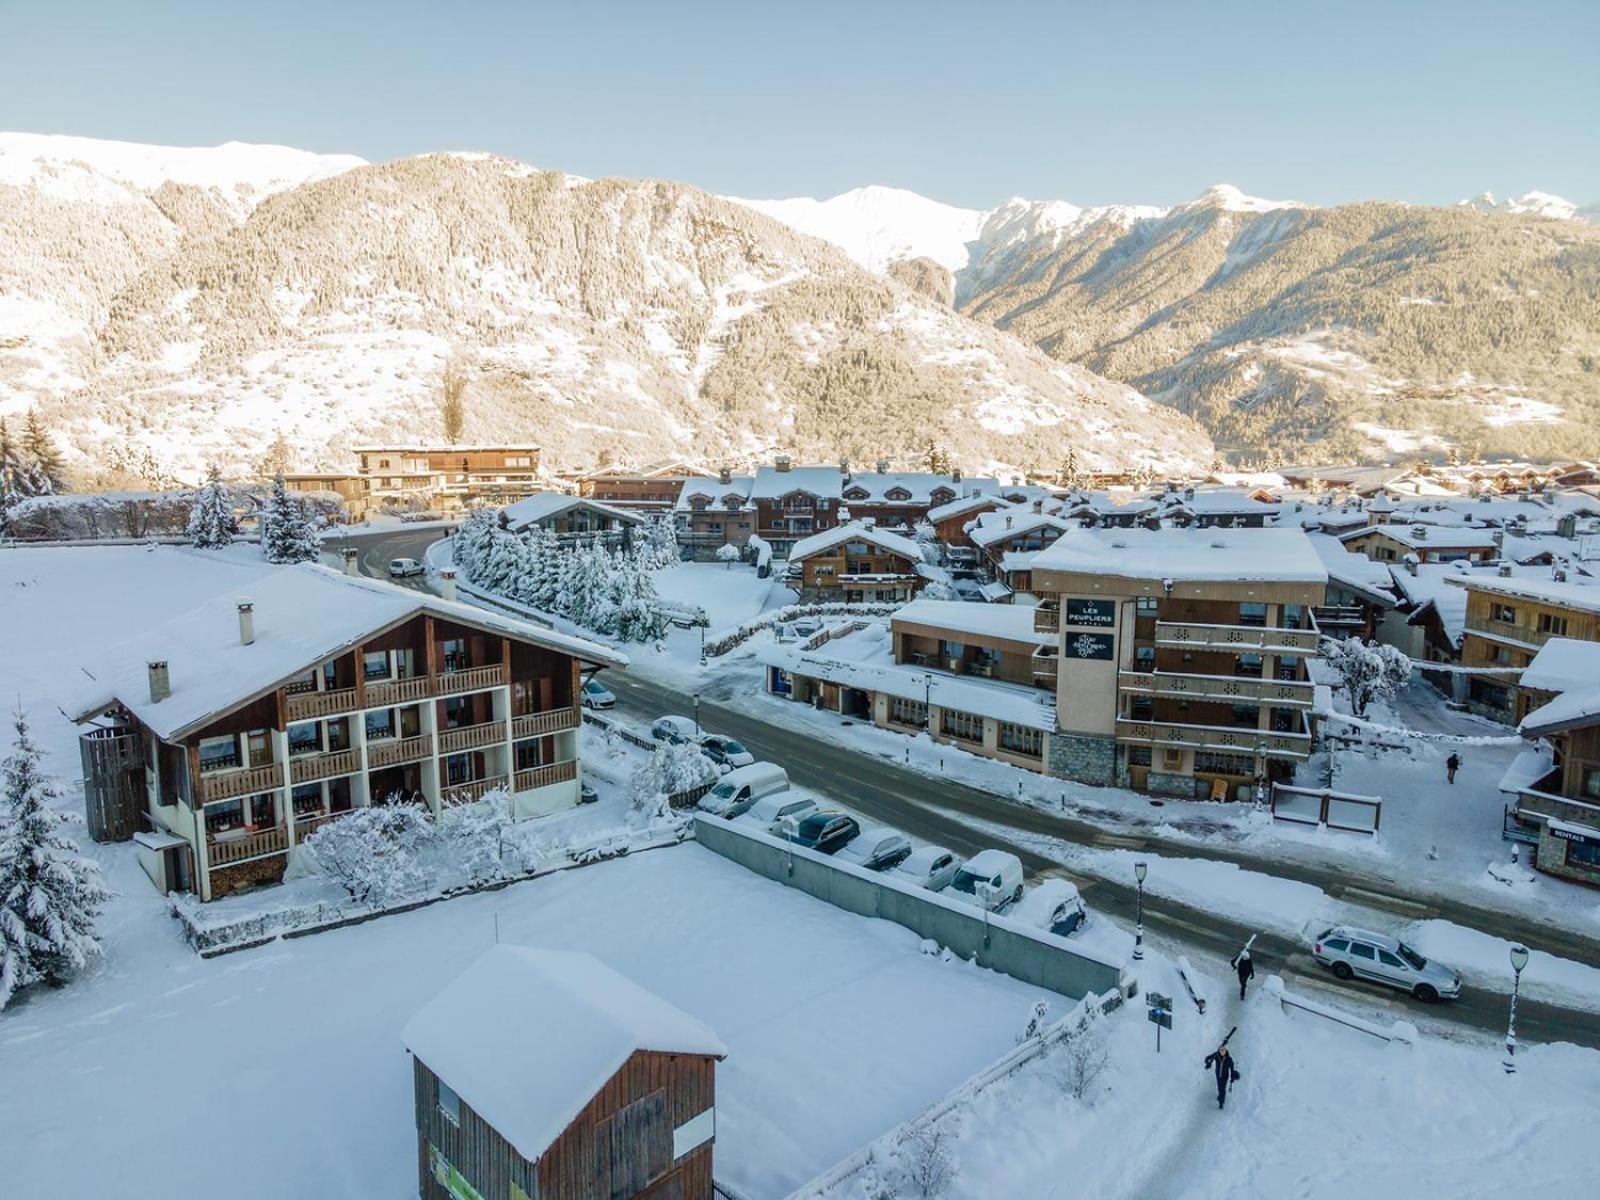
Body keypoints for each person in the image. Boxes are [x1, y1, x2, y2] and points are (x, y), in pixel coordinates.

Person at [1205, 1043, 1240, 1109]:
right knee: (1219, 1087)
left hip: (1224, 1076)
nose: (1222, 1052)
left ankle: (1221, 1103)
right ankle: (1220, 1095)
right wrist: (1208, 1063)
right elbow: (1208, 1058)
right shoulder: (1216, 1055)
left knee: (1222, 1089)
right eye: (1220, 1050)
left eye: (1223, 1050)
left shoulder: (1229, 1059)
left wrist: (1232, 1077)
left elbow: (1231, 1068)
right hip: (1218, 1075)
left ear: (1225, 1051)